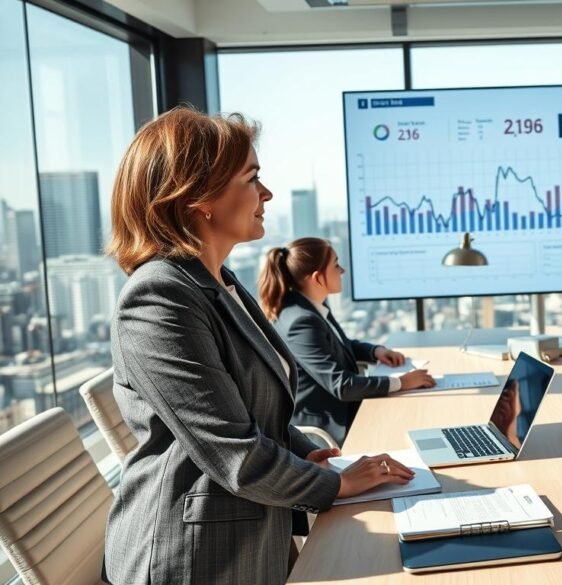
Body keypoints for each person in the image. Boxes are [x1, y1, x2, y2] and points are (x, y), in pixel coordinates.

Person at [103, 107, 413, 585]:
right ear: (199, 197)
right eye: (252, 179)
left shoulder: (218, 281)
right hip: (192, 559)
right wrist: (336, 483)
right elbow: (233, 450)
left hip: (250, 532)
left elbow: (256, 411)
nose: (266, 194)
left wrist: (311, 454)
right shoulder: (159, 297)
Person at [258, 238, 435, 445]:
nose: (341, 271)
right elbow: (341, 386)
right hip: (332, 427)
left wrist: (375, 351)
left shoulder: (310, 305)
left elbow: (341, 344)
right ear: (317, 278)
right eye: (335, 265)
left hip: (348, 408)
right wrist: (402, 382)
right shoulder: (301, 321)